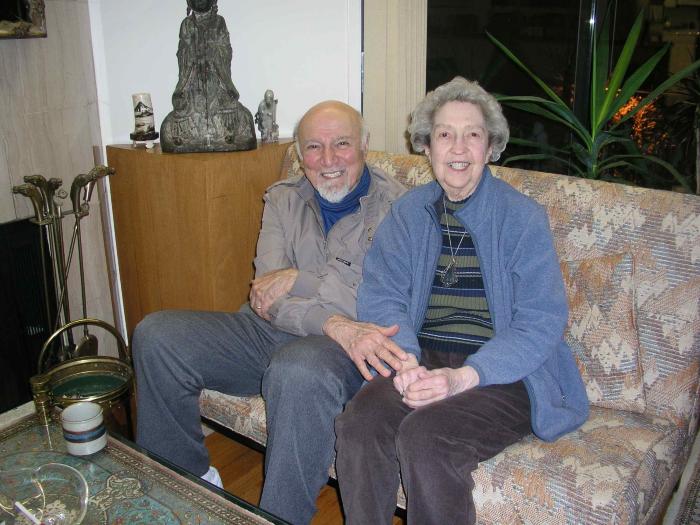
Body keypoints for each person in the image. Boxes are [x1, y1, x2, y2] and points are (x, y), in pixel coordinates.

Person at [133, 100, 408, 524]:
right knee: (157, 335)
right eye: (314, 147)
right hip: (266, 330)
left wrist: (299, 280)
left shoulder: (398, 208)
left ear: (365, 146)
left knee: (295, 367)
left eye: (342, 144)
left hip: (343, 352)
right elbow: (266, 295)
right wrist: (329, 315)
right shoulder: (282, 198)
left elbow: (373, 301)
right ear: (299, 154)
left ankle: (279, 518)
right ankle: (188, 490)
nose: (329, 159)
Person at [334, 77, 589, 525]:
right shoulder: (409, 212)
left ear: (490, 147)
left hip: (504, 372)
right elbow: (383, 292)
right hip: (423, 355)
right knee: (360, 422)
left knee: (428, 437)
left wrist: (465, 377)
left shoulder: (521, 218)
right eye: (444, 134)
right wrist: (406, 363)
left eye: (472, 134)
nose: (458, 147)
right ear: (426, 147)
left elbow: (541, 321)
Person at [160, 0, 256, 152]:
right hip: (193, 81)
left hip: (215, 78)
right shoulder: (186, 24)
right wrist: (192, 53)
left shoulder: (219, 22)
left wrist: (212, 51)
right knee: (171, 123)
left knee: (240, 114)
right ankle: (187, 135)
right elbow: (182, 53)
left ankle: (226, 133)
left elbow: (225, 50)